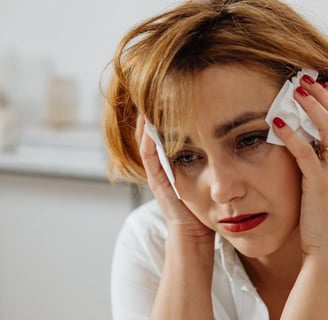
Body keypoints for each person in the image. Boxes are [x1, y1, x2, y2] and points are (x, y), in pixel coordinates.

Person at [103, 0, 328, 319]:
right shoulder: (153, 239)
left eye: (250, 140)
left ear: (314, 121)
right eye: (184, 156)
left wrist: (322, 258)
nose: (222, 190)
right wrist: (189, 243)